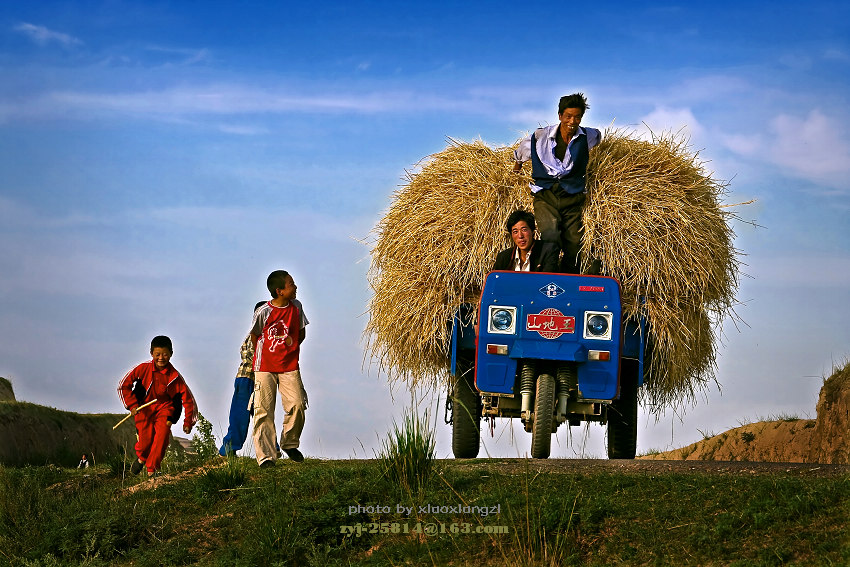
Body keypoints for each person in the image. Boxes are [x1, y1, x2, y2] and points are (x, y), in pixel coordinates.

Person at [512, 93, 602, 274]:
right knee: (551, 237)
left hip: (572, 197)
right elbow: (520, 153)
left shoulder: (587, 136)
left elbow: (599, 137)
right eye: (568, 116)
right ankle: (548, 277)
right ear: (560, 115)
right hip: (546, 195)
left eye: (577, 117)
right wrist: (516, 168)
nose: (572, 121)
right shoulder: (540, 137)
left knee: (574, 242)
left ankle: (569, 277)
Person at [250, 270, 309, 467]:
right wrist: (265, 355)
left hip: (289, 365)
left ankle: (289, 443)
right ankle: (266, 457)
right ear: (280, 291)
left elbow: (301, 333)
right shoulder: (263, 312)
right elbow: (255, 336)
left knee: (298, 404)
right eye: (291, 284)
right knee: (263, 411)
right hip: (265, 365)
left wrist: (290, 349)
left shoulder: (297, 307)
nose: (295, 286)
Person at [117, 335, 198, 476]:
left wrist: (187, 422)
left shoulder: (175, 377)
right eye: (157, 354)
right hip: (143, 409)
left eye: (165, 354)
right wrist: (132, 405)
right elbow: (123, 386)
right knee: (145, 441)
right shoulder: (142, 369)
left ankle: (152, 470)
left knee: (162, 437)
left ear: (171, 354)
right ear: (151, 353)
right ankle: (142, 458)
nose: (161, 358)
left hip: (164, 408)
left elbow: (188, 400)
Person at [218, 300, 266, 457]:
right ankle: (230, 447)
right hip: (247, 378)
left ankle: (270, 447)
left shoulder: (264, 335)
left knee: (263, 413)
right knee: (241, 414)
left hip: (256, 379)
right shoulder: (256, 336)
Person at [492, 210, 559, 272]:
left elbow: (548, 281)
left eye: (524, 230)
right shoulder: (503, 257)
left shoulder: (547, 251)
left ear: (532, 231)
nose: (520, 236)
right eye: (515, 232)